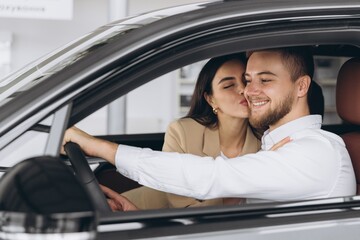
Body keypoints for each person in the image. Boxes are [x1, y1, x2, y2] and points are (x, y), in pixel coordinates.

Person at [63, 47, 356, 210]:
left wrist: (98, 146)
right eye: (248, 78)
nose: (250, 91)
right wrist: (136, 215)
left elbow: (212, 176)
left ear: (301, 86)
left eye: (265, 80)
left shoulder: (316, 151)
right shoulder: (280, 144)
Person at [120, 53, 262, 210]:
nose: (243, 90)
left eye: (246, 81)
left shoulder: (266, 140)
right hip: (134, 214)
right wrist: (236, 193)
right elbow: (183, 207)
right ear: (210, 99)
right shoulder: (182, 133)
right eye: (228, 86)